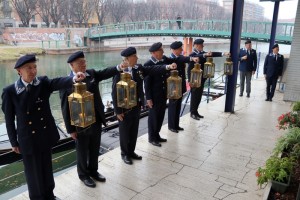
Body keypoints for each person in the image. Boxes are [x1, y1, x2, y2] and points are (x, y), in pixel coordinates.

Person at [1, 54, 85, 199]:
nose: (33, 71)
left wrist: (73, 78)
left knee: (46, 168)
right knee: (34, 174)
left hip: (45, 135)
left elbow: (57, 82)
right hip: (28, 139)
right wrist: (13, 142)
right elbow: (9, 120)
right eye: (29, 68)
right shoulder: (10, 91)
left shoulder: (42, 83)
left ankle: (49, 195)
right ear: (19, 71)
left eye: (35, 67)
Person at [59, 51, 125, 188]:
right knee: (82, 151)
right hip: (79, 124)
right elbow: (65, 108)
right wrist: (70, 129)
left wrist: (119, 67)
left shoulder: (91, 74)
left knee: (94, 148)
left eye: (84, 62)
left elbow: (105, 72)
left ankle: (94, 171)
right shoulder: (66, 83)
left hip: (95, 119)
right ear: (72, 65)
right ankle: (83, 175)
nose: (84, 65)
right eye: (80, 63)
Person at [111, 47, 176, 164]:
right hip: (123, 108)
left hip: (136, 105)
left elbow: (152, 69)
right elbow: (114, 92)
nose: (137, 58)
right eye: (135, 56)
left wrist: (167, 67)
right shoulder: (119, 72)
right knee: (125, 132)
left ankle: (131, 152)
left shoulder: (138, 68)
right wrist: (117, 111)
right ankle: (124, 154)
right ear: (128, 58)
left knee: (134, 131)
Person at [187, 38, 230, 120]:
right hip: (194, 80)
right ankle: (192, 113)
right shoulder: (192, 55)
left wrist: (223, 53)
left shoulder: (203, 53)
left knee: (199, 96)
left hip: (202, 78)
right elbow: (190, 66)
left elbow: (212, 54)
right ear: (196, 45)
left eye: (202, 44)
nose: (202, 46)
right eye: (201, 45)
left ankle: (196, 111)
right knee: (194, 96)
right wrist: (189, 80)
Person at [144, 42, 177, 147]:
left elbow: (176, 60)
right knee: (153, 117)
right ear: (154, 53)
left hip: (163, 94)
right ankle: (151, 138)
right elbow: (147, 84)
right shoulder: (148, 64)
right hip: (154, 95)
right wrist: (148, 98)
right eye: (161, 50)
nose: (163, 51)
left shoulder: (163, 60)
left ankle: (157, 134)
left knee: (161, 115)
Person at [168, 41, 199, 133]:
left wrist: (192, 59)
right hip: (173, 87)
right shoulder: (171, 59)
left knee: (178, 106)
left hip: (180, 85)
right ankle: (171, 126)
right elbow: (182, 59)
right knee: (173, 107)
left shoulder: (179, 57)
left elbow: (183, 58)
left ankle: (176, 125)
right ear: (174, 50)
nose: (182, 50)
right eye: (180, 48)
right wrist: (191, 59)